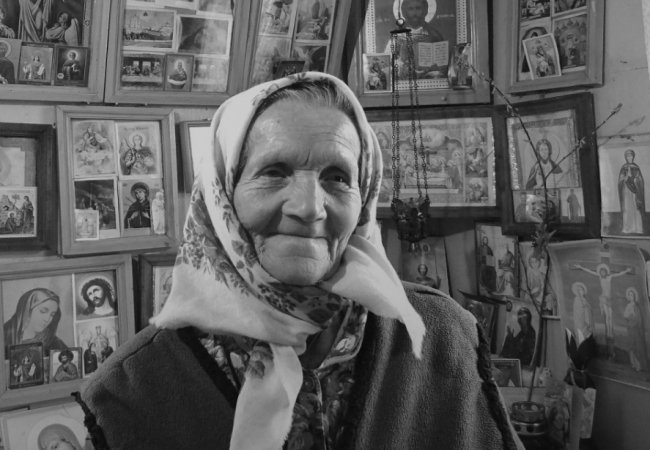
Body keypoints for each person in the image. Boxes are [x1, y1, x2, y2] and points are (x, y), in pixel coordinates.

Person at [75, 73, 523, 449]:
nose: (309, 207)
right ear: (222, 193)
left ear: (365, 195)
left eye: (337, 178)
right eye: (274, 172)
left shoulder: (442, 336)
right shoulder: (134, 389)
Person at [572, 262, 632, 359]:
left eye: (604, 271)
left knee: (609, 318)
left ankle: (609, 330)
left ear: (606, 272)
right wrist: (581, 267)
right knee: (606, 318)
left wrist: (626, 271)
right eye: (601, 271)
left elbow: (618, 274)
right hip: (603, 299)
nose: (602, 273)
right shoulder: (600, 277)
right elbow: (591, 272)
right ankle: (608, 331)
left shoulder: (610, 277)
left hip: (609, 300)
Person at [4, 287, 68, 355]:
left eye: (52, 315)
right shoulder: (4, 337)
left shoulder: (55, 343)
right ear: (27, 309)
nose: (47, 319)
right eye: (43, 311)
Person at [618, 149, 645, 234]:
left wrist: (635, 180)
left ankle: (637, 228)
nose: (630, 158)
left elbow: (640, 180)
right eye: (628, 156)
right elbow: (620, 181)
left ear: (633, 157)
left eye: (631, 156)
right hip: (626, 191)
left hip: (635, 192)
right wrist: (625, 178)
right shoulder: (623, 168)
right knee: (627, 208)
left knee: (635, 208)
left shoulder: (636, 167)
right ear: (626, 158)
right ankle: (627, 228)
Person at [623, 287, 648, 372]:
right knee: (631, 346)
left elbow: (638, 318)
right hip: (630, 328)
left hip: (636, 329)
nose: (631, 296)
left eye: (632, 295)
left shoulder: (636, 306)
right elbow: (625, 315)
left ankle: (639, 365)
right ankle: (633, 363)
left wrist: (632, 317)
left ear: (634, 296)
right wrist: (630, 316)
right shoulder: (628, 305)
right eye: (629, 295)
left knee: (637, 346)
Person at [571, 281, 593, 346]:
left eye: (582, 290)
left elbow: (589, 310)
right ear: (577, 291)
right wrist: (584, 307)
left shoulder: (585, 300)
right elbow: (577, 310)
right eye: (580, 290)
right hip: (580, 320)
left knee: (587, 335)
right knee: (581, 335)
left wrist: (587, 308)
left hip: (586, 321)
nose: (581, 291)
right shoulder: (576, 299)